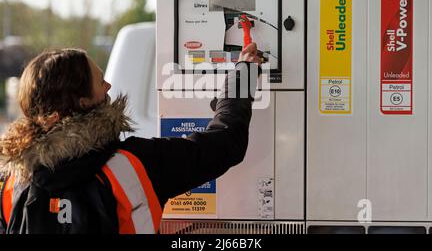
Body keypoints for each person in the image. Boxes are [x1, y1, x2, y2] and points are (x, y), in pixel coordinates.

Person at [0, 43, 260, 234]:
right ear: (83, 103)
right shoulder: (135, 166)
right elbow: (226, 142)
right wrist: (243, 76)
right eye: (101, 81)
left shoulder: (13, 183)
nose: (109, 86)